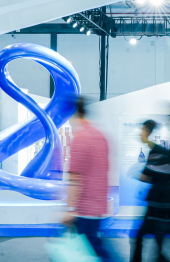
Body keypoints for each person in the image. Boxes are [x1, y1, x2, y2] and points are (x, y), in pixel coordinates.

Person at [62, 97, 115, 262]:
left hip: (84, 209)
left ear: (73, 114)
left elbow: (75, 177)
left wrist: (71, 209)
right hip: (98, 206)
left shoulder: (80, 138)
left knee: (94, 251)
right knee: (96, 249)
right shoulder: (101, 136)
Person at [132, 119, 170, 262]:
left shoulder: (155, 152)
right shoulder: (159, 152)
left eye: (142, 131)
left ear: (148, 133)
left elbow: (145, 177)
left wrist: (134, 173)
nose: (140, 134)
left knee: (140, 236)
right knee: (156, 238)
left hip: (156, 203)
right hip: (161, 202)